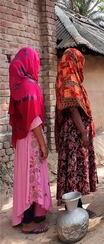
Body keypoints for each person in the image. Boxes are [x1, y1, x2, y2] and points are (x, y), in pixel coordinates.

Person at [9, 47, 52, 233]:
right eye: (36, 61)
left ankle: (34, 214)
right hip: (31, 140)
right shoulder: (29, 86)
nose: (37, 66)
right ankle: (28, 223)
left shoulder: (18, 86)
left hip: (23, 140)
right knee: (31, 177)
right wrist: (43, 144)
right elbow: (33, 119)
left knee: (28, 177)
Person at [55, 48, 98, 209]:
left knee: (71, 168)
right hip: (75, 133)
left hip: (69, 132)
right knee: (74, 168)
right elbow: (73, 109)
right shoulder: (71, 80)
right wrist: (83, 134)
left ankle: (74, 206)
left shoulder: (62, 78)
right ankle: (74, 208)